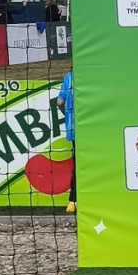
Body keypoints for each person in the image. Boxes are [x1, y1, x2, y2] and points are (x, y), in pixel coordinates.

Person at [57, 71, 76, 214]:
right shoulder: (94, 74)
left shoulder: (69, 78)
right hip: (93, 128)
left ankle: (73, 201)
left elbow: (60, 102)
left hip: (74, 128)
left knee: (78, 165)